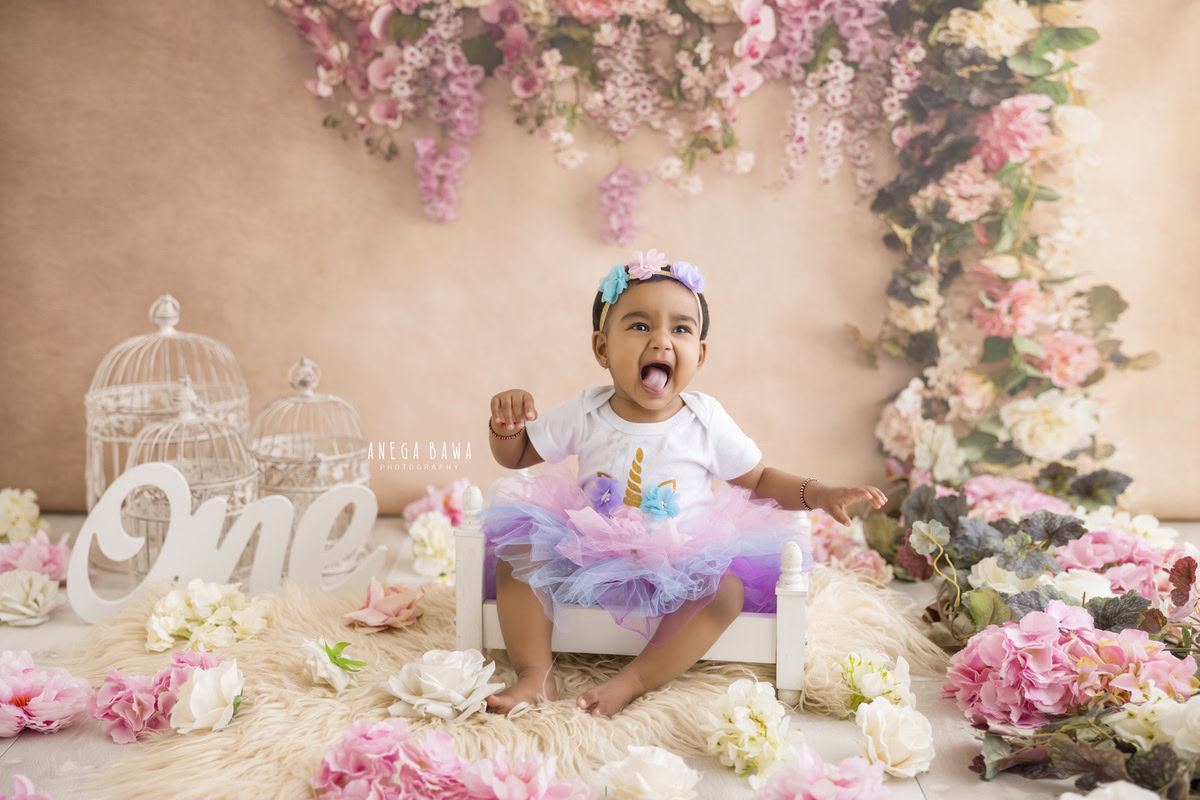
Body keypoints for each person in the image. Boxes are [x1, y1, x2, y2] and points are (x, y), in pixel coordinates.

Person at [481, 249, 887, 718]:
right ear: (602, 348)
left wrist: (819, 492)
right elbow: (516, 456)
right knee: (519, 555)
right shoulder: (585, 410)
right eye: (639, 326)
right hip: (586, 550)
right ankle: (534, 674)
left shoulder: (704, 419)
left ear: (701, 352)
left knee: (725, 592)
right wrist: (506, 426)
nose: (660, 341)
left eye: (680, 329)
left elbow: (757, 478)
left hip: (679, 558)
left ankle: (633, 679)